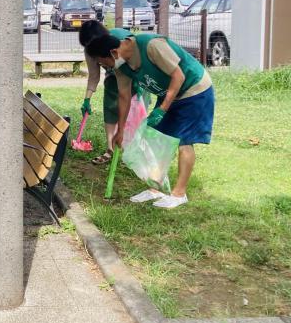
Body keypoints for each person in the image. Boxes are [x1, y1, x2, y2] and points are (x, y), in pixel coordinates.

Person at [85, 32, 215, 209]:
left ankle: (179, 194)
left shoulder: (152, 46)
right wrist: (120, 131)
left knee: (184, 141)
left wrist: (162, 109)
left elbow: (179, 76)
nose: (105, 68)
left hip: (194, 89)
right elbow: (124, 96)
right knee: (154, 140)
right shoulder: (121, 66)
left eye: (103, 63)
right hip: (169, 93)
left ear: (113, 53)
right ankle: (156, 189)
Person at [78, 21, 133, 165]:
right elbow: (94, 76)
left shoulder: (119, 39)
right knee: (110, 107)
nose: (91, 49)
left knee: (132, 110)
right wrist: (87, 99)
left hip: (132, 76)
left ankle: (132, 150)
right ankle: (110, 148)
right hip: (112, 76)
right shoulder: (89, 49)